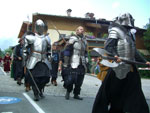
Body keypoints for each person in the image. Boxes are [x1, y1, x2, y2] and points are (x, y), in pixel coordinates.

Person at [92, 13, 150, 113]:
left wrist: (145, 61)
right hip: (118, 68)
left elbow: (134, 51)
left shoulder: (131, 34)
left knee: (136, 94)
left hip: (131, 68)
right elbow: (109, 47)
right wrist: (115, 56)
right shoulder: (115, 31)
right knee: (111, 93)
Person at [23, 19, 51, 101]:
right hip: (34, 60)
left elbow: (49, 50)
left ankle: (40, 90)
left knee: (45, 78)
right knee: (34, 79)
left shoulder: (47, 38)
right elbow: (25, 50)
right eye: (38, 26)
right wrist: (25, 60)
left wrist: (50, 58)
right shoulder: (30, 38)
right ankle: (36, 93)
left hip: (44, 60)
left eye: (41, 26)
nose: (40, 28)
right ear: (36, 27)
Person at [59, 26, 88, 100]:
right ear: (77, 31)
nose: (81, 31)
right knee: (71, 79)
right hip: (74, 61)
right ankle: (68, 92)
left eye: (82, 29)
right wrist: (65, 62)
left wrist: (86, 58)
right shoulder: (72, 39)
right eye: (80, 29)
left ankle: (76, 94)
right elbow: (67, 51)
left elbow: (85, 52)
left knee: (80, 81)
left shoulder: (84, 41)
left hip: (82, 63)